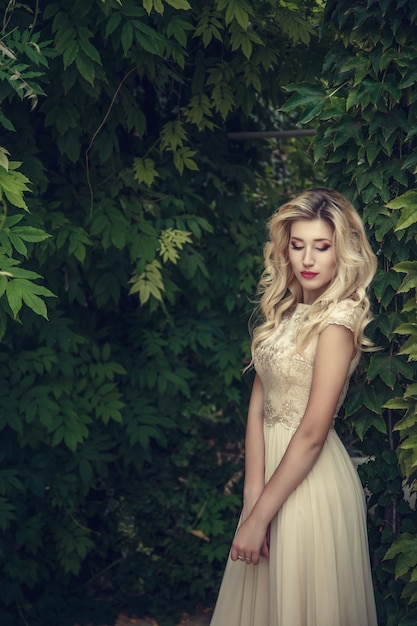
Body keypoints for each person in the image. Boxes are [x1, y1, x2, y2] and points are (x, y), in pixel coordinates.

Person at [210, 188, 378, 626]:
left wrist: (260, 514)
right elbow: (258, 407)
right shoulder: (283, 314)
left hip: (310, 481)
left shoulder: (339, 320)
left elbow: (312, 432)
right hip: (267, 478)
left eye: (322, 247)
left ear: (342, 252)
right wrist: (251, 501)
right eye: (298, 245)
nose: (308, 258)